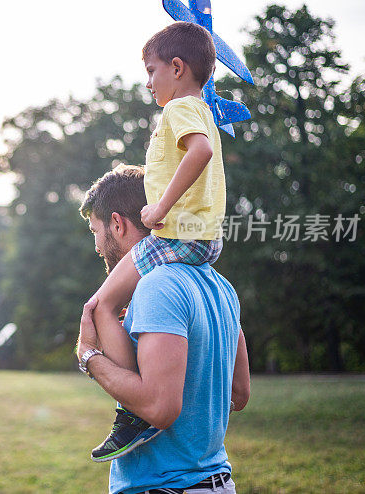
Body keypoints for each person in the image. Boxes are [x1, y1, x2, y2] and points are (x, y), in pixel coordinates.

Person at [85, 21, 229, 461]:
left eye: (152, 71)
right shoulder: (200, 107)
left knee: (99, 306)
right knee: (117, 303)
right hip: (204, 240)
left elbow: (200, 152)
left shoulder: (179, 109)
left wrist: (159, 210)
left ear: (178, 68)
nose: (148, 82)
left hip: (179, 235)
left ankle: (133, 412)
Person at [76, 164, 250, 493]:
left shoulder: (157, 287)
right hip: (217, 484)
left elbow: (159, 408)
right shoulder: (221, 286)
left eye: (95, 231)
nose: (97, 246)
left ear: (117, 224)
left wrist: (89, 357)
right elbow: (238, 395)